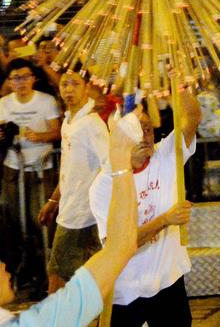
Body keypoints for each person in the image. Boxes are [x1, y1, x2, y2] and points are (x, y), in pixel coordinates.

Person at [0, 112, 139, 327]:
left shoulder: (88, 123)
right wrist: (121, 158)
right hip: (74, 214)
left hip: (82, 213)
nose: (4, 266)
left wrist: (53, 200)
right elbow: (122, 246)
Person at [89, 86, 199, 327]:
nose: (144, 137)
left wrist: (176, 83)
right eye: (135, 132)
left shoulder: (164, 156)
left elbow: (191, 117)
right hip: (125, 288)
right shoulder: (104, 185)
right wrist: (165, 220)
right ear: (118, 141)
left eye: (148, 130)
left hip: (167, 280)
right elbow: (118, 245)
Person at [38, 71, 108, 293]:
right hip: (72, 207)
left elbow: (109, 165)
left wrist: (99, 202)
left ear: (86, 87)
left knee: (57, 274)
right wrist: (53, 200)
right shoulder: (69, 122)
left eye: (74, 84)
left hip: (81, 212)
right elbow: (69, 169)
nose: (68, 89)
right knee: (91, 271)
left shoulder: (92, 124)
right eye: (64, 84)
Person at [0, 58, 62, 293]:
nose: (21, 82)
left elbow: (57, 132)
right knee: (16, 218)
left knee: (42, 220)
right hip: (14, 167)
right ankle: (25, 270)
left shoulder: (45, 101)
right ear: (10, 81)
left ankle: (47, 272)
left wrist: (41, 136)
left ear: (33, 78)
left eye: (25, 77)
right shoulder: (4, 103)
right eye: (16, 78)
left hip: (42, 167)